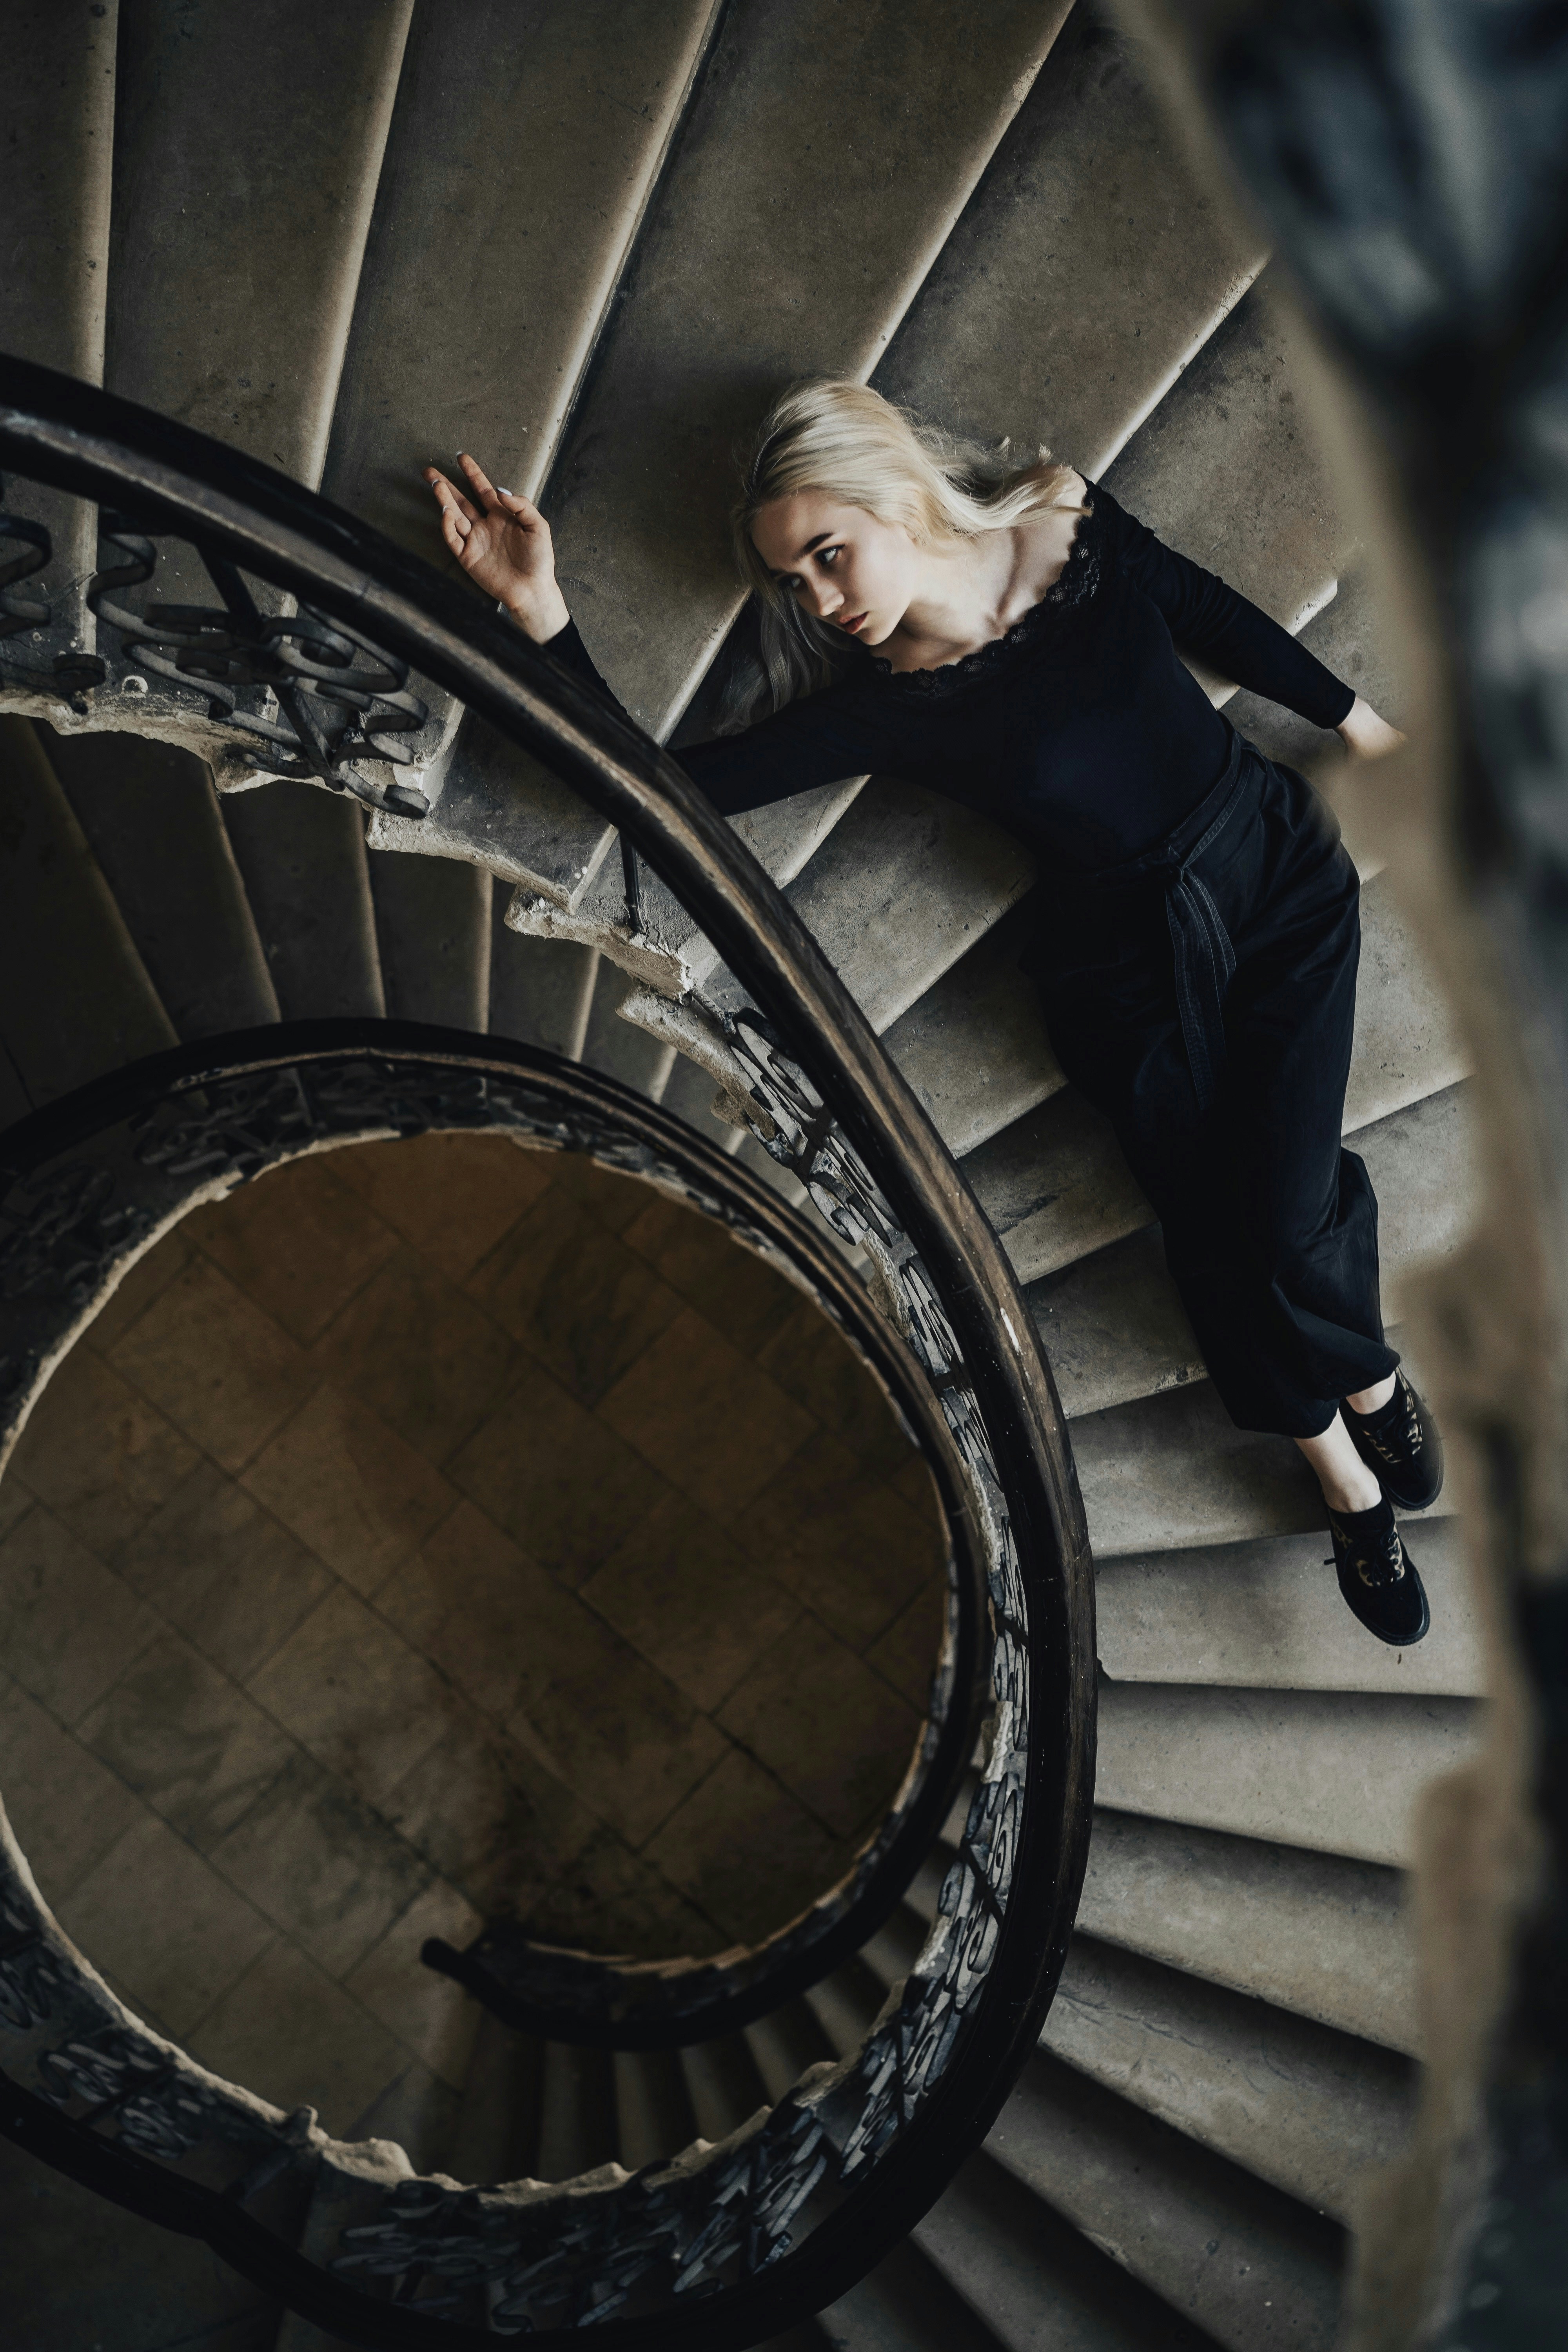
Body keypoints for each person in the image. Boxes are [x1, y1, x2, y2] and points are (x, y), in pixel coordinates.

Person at [424, 379, 1443, 1645]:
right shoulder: (894, 702)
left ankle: (1368, 1380)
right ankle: (1346, 1472)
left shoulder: (1070, 527)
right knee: (1216, 1226)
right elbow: (658, 796)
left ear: (894, 494)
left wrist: (1363, 725)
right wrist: (541, 615)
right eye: (792, 582)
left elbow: (1205, 609)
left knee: (1281, 1219)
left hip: (1275, 883)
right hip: (1127, 977)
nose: (819, 601)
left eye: (826, 553)